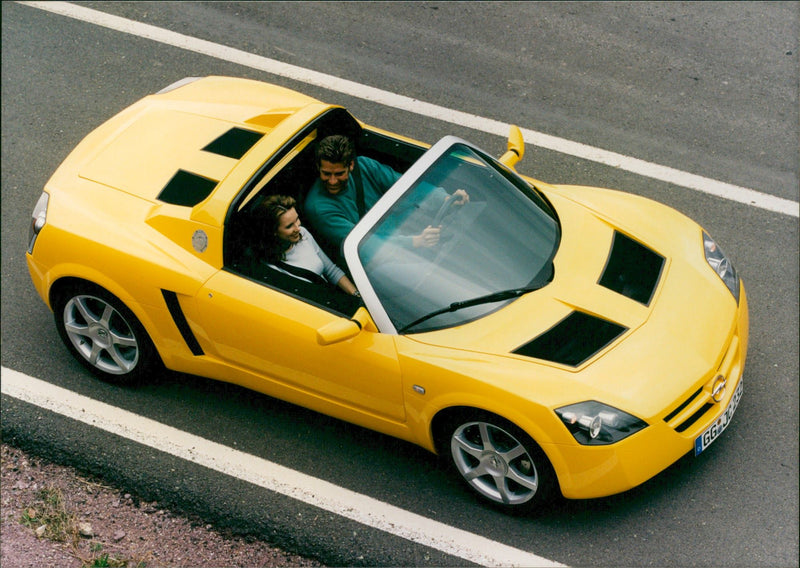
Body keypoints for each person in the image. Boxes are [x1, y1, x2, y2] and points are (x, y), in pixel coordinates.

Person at [304, 135, 468, 258]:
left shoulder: (364, 166)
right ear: (318, 167)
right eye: (326, 174)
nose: (332, 181)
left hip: (401, 230)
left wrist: (445, 199)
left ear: (351, 165)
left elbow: (404, 187)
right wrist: (416, 241)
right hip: (376, 258)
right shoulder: (318, 208)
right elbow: (363, 245)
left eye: (339, 174)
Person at [258, 195, 360, 297]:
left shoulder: (303, 234)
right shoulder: (272, 266)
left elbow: (331, 271)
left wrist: (356, 294)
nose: (297, 228)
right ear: (273, 231)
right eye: (289, 226)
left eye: (297, 219)